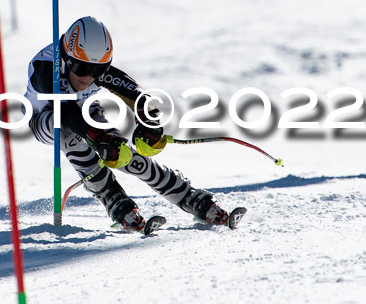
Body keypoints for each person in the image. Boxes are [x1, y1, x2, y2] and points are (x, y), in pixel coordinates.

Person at [24, 16, 235, 231]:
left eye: (97, 71)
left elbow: (134, 93)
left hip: (84, 111)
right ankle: (112, 196)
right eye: (81, 69)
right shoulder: (46, 65)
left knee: (121, 153)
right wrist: (97, 138)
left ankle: (187, 195)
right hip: (45, 119)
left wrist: (149, 120)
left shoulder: (89, 66)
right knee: (67, 130)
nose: (88, 78)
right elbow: (65, 111)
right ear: (68, 58)